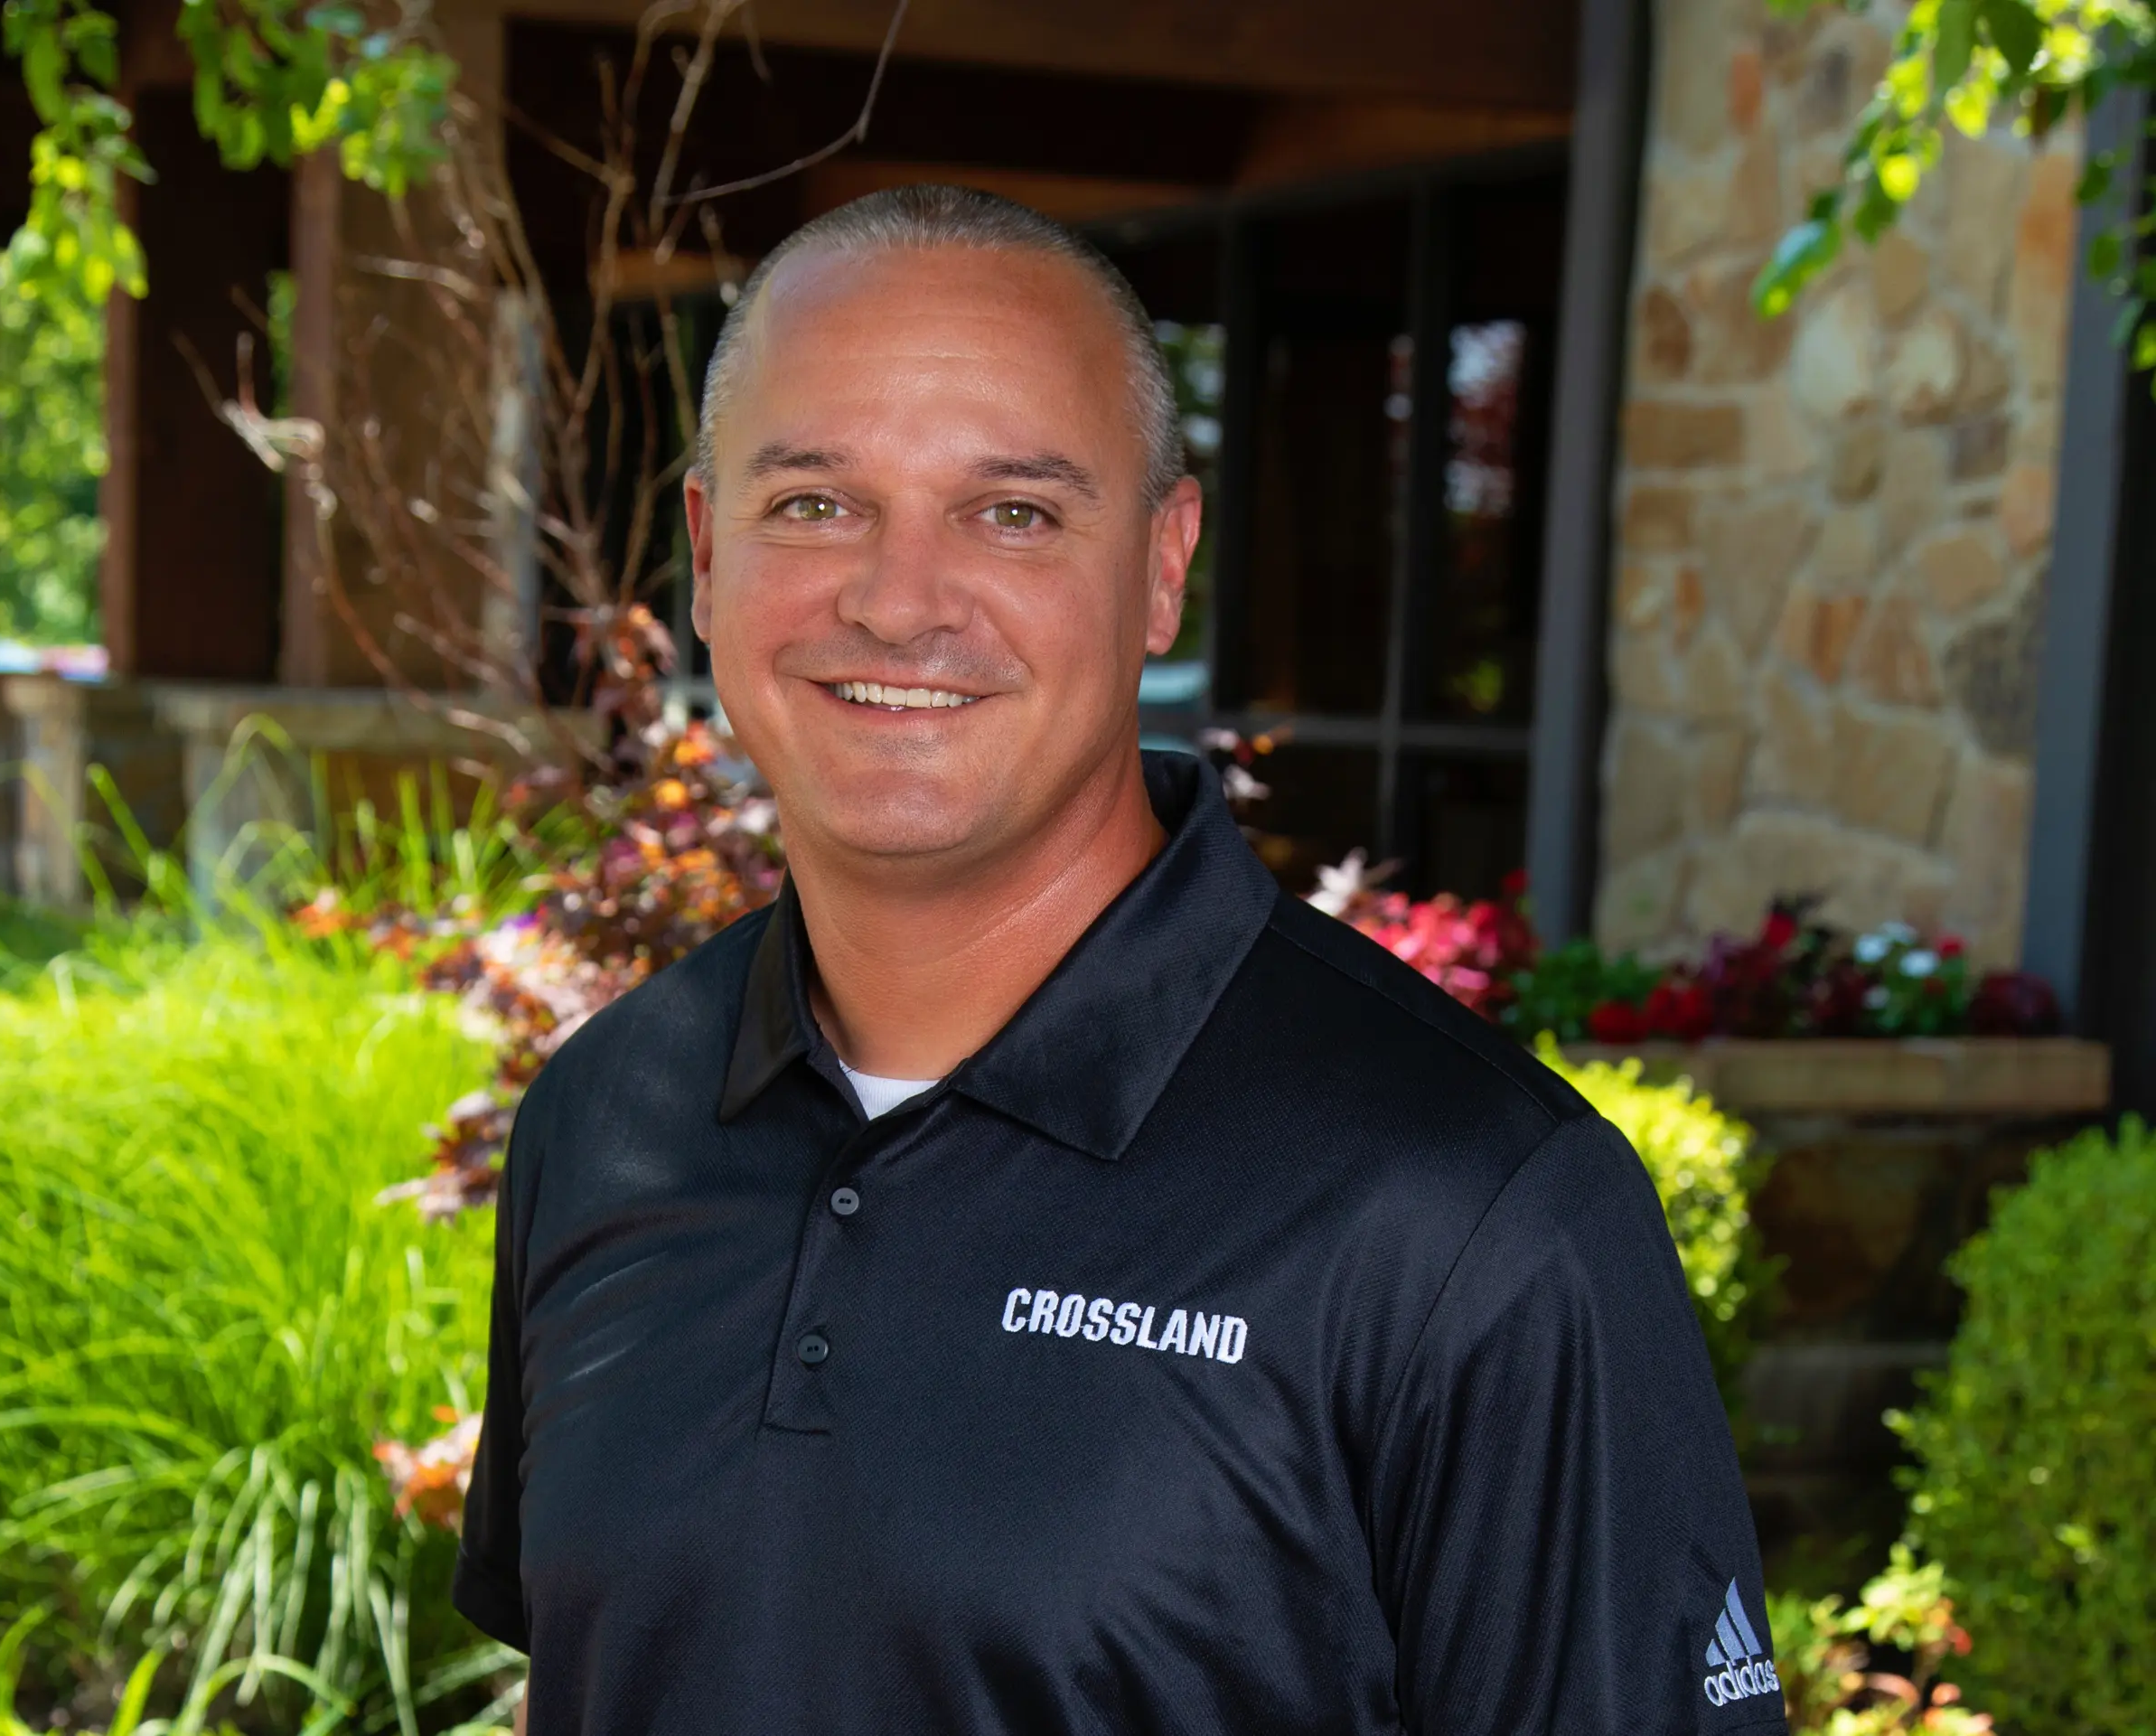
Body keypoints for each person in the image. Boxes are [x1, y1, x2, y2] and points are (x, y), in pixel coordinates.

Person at [454, 185, 1786, 1736]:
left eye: (1014, 511)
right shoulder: (606, 1118)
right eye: (815, 503)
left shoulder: (1471, 1215)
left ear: (1163, 566)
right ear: (703, 550)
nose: (896, 599)